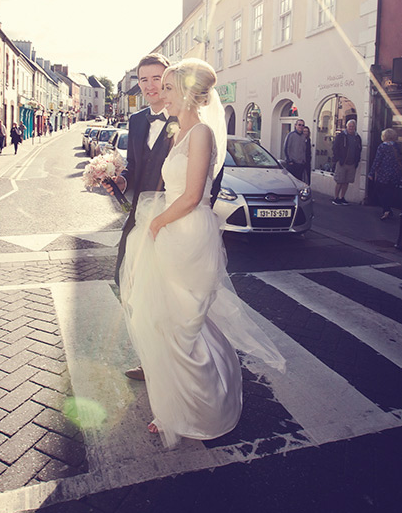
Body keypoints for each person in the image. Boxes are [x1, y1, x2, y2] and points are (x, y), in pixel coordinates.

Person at [120, 58, 285, 448]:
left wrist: (158, 224)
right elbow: (166, 187)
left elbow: (194, 196)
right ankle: (174, 407)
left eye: (170, 88)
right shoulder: (180, 133)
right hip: (167, 229)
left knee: (183, 326)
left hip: (186, 235)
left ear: (191, 94)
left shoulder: (202, 135)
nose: (163, 93)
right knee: (164, 322)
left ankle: (204, 410)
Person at [368, 128, 402, 220]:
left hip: (384, 173)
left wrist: (371, 173)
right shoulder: (397, 146)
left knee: (380, 191)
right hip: (395, 173)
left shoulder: (382, 147)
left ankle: (386, 210)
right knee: (390, 192)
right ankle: (389, 210)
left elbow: (377, 160)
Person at [332, 118, 362, 205]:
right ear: (346, 126)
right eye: (349, 126)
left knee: (346, 181)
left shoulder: (357, 137)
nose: (351, 128)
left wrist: (357, 161)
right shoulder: (341, 136)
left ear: (355, 127)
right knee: (339, 181)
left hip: (352, 164)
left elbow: (359, 150)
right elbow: (335, 148)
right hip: (342, 163)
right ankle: (336, 198)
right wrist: (338, 159)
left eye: (353, 126)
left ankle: (342, 197)